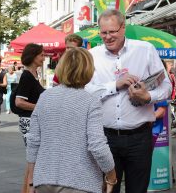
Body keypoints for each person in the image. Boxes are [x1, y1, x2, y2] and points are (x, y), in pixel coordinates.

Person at [86, 9, 172, 193]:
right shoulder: (93, 55)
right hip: (105, 138)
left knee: (138, 190)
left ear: (123, 28)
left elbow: (167, 86)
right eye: (103, 32)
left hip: (139, 137)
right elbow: (86, 91)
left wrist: (148, 96)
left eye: (112, 31)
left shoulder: (145, 50)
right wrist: (115, 85)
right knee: (108, 190)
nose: (108, 37)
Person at [27, 47, 116, 193]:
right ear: (88, 70)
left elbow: (33, 141)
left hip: (44, 180)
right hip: (79, 182)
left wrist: (31, 180)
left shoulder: (45, 97)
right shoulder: (90, 102)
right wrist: (111, 175)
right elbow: (97, 145)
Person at [15, 43, 45, 193]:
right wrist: (40, 107)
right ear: (33, 57)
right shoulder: (27, 76)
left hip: (32, 121)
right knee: (33, 160)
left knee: (32, 161)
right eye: (41, 55)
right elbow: (19, 102)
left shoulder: (34, 75)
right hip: (28, 121)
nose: (43, 58)